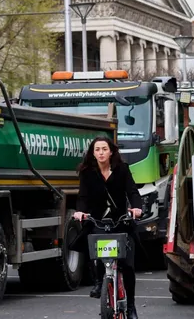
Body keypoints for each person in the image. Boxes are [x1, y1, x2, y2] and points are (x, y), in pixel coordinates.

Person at [72, 136, 142, 319]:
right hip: (98, 221)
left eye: (104, 149)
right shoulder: (87, 172)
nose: (101, 153)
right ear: (93, 153)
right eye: (97, 150)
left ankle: (131, 307)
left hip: (120, 221)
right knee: (93, 249)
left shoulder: (122, 169)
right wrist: (80, 212)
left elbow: (132, 191)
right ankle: (99, 281)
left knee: (128, 265)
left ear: (111, 152)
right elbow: (83, 197)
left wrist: (136, 208)